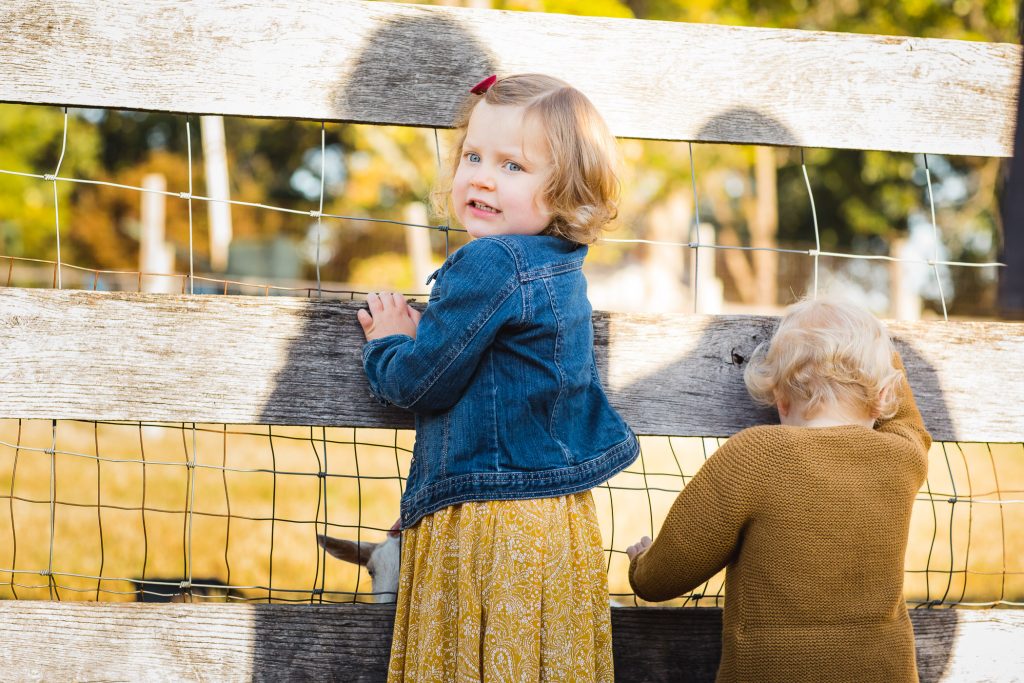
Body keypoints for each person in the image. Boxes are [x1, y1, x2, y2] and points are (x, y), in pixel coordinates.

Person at [358, 73, 638, 682]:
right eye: (473, 156)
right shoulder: (561, 267)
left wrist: (390, 345)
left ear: (566, 192)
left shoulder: (491, 262)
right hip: (557, 521)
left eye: (513, 166)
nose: (482, 176)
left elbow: (420, 384)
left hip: (490, 521)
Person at [627, 297, 931, 683]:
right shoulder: (901, 458)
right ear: (885, 395)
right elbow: (912, 425)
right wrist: (879, 355)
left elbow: (664, 577)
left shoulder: (756, 454)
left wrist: (643, 566)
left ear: (780, 398)